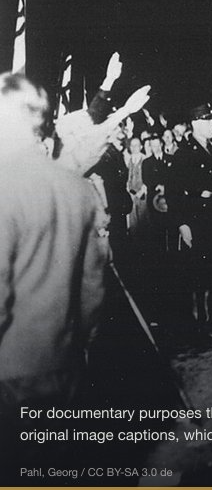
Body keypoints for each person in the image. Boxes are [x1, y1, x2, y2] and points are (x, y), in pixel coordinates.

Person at [0, 73, 109, 483]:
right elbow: (94, 288)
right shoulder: (76, 188)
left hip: (8, 375)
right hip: (65, 366)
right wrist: (78, 344)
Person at [170, 102, 212, 333]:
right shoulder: (184, 153)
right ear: (197, 123)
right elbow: (174, 192)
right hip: (197, 216)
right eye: (209, 121)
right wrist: (183, 224)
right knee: (198, 269)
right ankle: (199, 321)